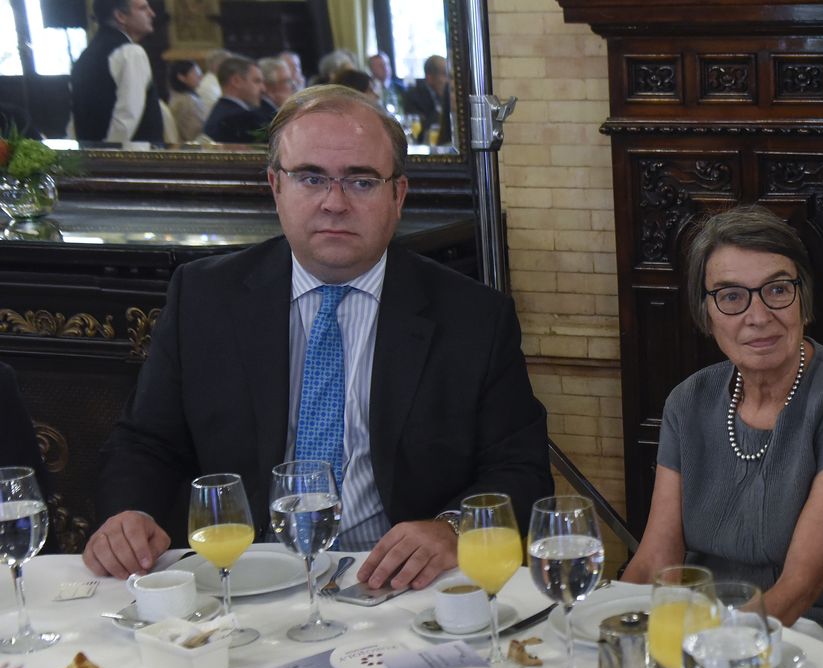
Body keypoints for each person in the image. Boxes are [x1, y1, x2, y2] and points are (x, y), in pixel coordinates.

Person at [88, 85, 553, 591]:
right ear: (276, 186)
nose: (334, 203)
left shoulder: (473, 317)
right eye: (311, 178)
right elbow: (144, 442)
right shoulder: (205, 296)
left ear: (397, 195)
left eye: (361, 181)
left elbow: (520, 470)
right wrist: (128, 514)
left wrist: (452, 528)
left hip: (395, 586)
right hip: (239, 575)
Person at [619, 205, 823, 668]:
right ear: (705, 312)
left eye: (777, 290)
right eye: (731, 297)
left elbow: (798, 589)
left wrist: (706, 662)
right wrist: (612, 632)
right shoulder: (690, 401)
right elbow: (657, 562)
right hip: (708, 635)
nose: (758, 316)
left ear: (804, 300)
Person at [69, 0, 161, 145]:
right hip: (130, 159)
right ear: (120, 16)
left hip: (89, 156)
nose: (152, 13)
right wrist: (107, 156)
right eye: (143, 8)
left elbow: (75, 119)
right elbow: (127, 116)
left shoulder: (85, 56)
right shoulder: (131, 53)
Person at [203, 57, 271, 144]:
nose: (263, 89)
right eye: (257, 81)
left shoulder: (218, 110)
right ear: (236, 81)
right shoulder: (242, 118)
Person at [403, 55, 452, 144]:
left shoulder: (451, 94)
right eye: (444, 75)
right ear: (430, 78)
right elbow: (418, 133)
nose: (448, 80)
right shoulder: (414, 96)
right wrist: (441, 103)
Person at [167, 60, 205, 143]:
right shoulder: (188, 101)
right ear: (181, 77)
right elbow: (194, 134)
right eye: (196, 73)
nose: (200, 77)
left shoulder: (176, 97)